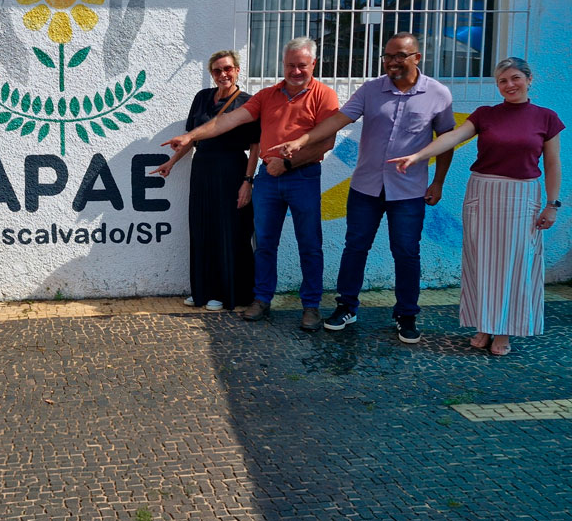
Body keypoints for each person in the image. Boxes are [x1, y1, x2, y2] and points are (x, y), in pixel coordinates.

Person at [271, 32, 455, 343]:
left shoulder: (438, 94)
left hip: (409, 192)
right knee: (355, 248)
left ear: (417, 58)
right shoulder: (371, 89)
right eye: (387, 56)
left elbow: (446, 141)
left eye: (400, 56)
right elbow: (339, 119)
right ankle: (346, 306)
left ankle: (406, 314)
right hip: (366, 187)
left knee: (407, 252)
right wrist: (303, 140)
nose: (392, 62)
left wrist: (438, 182)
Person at [390, 57, 562, 356]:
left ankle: (505, 329)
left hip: (523, 196)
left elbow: (552, 163)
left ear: (528, 79)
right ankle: (484, 325)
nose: (509, 85)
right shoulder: (485, 115)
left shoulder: (546, 118)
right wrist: (418, 157)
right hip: (483, 192)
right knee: (481, 262)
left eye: (515, 78)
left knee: (515, 265)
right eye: (502, 81)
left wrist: (552, 204)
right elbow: (452, 137)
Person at [163, 37, 339, 331]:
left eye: (302, 65)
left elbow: (326, 141)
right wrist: (191, 137)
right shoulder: (268, 96)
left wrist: (287, 163)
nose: (295, 71)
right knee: (265, 244)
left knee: (309, 245)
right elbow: (226, 121)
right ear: (282, 65)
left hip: (303, 177)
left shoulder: (324, 95)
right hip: (269, 180)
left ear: (313, 65)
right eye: (290, 65)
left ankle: (311, 307)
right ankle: (261, 299)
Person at [150, 50, 261, 312]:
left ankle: (226, 293)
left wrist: (248, 180)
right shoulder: (201, 98)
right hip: (202, 169)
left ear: (237, 71)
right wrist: (172, 162)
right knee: (202, 228)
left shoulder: (248, 102)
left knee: (228, 231)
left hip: (230, 170)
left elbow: (256, 146)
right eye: (217, 70)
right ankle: (203, 290)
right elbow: (193, 138)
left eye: (228, 69)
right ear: (211, 74)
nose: (223, 74)